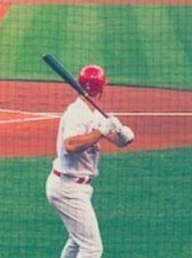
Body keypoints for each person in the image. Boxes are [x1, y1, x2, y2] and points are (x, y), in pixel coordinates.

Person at [46, 64, 135, 258]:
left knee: (77, 241)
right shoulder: (77, 114)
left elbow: (114, 139)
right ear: (100, 88)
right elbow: (70, 145)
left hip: (74, 186)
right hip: (67, 187)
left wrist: (122, 135)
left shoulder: (92, 113)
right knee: (92, 248)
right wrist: (102, 131)